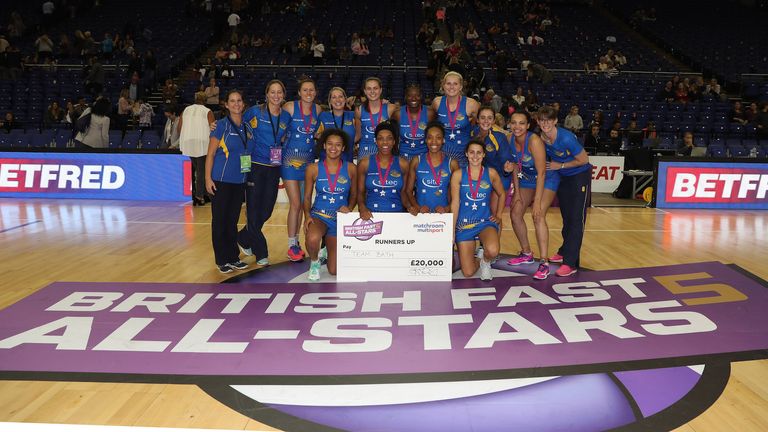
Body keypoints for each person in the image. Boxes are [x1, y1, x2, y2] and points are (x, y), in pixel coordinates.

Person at [237, 79, 291, 266]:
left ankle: (243, 238)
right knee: (253, 211)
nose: (276, 96)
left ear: (284, 95)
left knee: (266, 210)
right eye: (272, 92)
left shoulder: (285, 117)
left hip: (273, 168)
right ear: (266, 94)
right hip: (254, 166)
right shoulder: (254, 112)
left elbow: (283, 138)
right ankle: (261, 253)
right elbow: (238, 128)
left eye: (279, 92)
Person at [505, 111, 561, 280]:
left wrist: (537, 201)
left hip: (546, 179)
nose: (517, 127)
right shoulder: (509, 139)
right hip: (526, 179)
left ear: (528, 125)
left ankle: (544, 262)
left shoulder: (534, 141)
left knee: (538, 215)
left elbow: (542, 172)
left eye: (521, 123)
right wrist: (515, 192)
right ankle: (526, 253)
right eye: (514, 123)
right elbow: (515, 165)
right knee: (515, 213)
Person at [537, 105, 591, 277]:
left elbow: (584, 160)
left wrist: (559, 165)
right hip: (562, 176)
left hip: (578, 176)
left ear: (555, 121)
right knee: (567, 217)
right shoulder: (542, 137)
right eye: (542, 120)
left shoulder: (566, 138)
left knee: (576, 219)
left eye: (548, 120)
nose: (545, 123)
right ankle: (564, 250)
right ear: (538, 121)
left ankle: (570, 263)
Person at [204, 89, 254, 274]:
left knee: (232, 220)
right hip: (220, 181)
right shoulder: (220, 126)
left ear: (243, 103)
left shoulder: (248, 128)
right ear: (226, 105)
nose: (236, 104)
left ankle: (233, 257)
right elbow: (210, 154)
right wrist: (208, 178)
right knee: (220, 221)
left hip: (239, 181)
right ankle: (222, 259)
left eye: (239, 100)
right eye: (232, 101)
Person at [303, 128, 358, 281]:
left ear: (344, 148)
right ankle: (314, 262)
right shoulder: (312, 168)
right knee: (313, 238)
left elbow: (354, 195)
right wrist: (307, 215)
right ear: (324, 146)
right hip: (319, 216)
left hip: (339, 220)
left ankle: (327, 247)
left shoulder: (351, 168)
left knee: (333, 270)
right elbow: (307, 197)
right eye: (330, 144)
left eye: (338, 145)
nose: (334, 148)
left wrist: (350, 208)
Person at [451, 139, 506, 281]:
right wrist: (451, 230)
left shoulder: (491, 173)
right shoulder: (457, 174)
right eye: (472, 152)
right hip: (464, 225)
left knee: (493, 251)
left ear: (483, 155)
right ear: (466, 154)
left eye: (479, 153)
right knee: (468, 273)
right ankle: (479, 259)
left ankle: (486, 262)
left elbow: (502, 194)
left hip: (484, 222)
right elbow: (455, 203)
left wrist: (498, 215)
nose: (475, 156)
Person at [282, 77, 323, 262]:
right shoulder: (290, 107)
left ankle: (299, 241)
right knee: (296, 204)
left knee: (305, 203)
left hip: (308, 162)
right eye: (305, 90)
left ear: (315, 92)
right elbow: (278, 128)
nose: (308, 93)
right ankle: (292, 244)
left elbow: (318, 133)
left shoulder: (318, 109)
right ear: (299, 92)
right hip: (290, 161)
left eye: (311, 90)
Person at [357, 121, 409, 219]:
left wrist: (410, 207)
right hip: (371, 216)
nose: (385, 142)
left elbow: (404, 193)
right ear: (376, 141)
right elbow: (360, 193)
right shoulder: (364, 164)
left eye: (389, 138)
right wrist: (362, 207)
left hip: (397, 216)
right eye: (381, 138)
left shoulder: (403, 164)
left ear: (394, 141)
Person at [406, 121, 459, 214]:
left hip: (443, 216)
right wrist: (417, 207)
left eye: (438, 138)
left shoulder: (452, 163)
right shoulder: (416, 161)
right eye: (430, 137)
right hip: (420, 216)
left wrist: (447, 209)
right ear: (425, 140)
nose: (434, 141)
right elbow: (408, 191)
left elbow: (458, 194)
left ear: (443, 140)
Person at [431, 71, 481, 167]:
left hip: (463, 155)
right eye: (448, 83)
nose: (451, 87)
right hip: (442, 153)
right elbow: (431, 125)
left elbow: (482, 124)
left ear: (461, 87)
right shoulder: (437, 102)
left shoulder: (471, 104)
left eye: (455, 84)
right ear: (443, 85)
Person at [179, 93, 215, 206]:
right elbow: (213, 127)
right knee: (201, 171)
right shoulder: (207, 111)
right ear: (205, 100)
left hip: (188, 142)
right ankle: (199, 196)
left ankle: (202, 194)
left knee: (196, 169)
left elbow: (179, 127)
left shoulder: (186, 110)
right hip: (202, 143)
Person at [471, 106, 514, 196]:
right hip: (479, 176)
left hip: (499, 176)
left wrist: (507, 171)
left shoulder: (499, 138)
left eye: (489, 118)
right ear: (477, 120)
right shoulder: (472, 133)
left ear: (494, 121)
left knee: (494, 209)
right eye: (482, 118)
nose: (486, 121)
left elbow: (507, 163)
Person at [355, 77, 398, 159]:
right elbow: (358, 135)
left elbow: (397, 133)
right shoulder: (359, 110)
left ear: (380, 90)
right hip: (365, 151)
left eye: (375, 88)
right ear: (364, 91)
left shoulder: (391, 108)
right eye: (369, 89)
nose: (372, 91)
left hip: (385, 149)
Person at [395, 83, 435, 161]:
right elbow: (394, 137)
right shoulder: (398, 114)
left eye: (417, 95)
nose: (414, 98)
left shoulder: (430, 113)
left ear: (421, 96)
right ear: (406, 97)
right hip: (403, 157)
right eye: (410, 95)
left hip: (424, 158)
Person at [317, 87, 356, 162]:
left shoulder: (353, 115)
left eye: (340, 97)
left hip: (347, 162)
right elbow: (315, 135)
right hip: (326, 162)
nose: (337, 100)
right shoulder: (323, 116)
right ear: (330, 101)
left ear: (345, 99)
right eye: (334, 97)